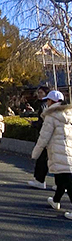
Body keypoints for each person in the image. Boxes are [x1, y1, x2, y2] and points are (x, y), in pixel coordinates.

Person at [31, 90, 72, 220]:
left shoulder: (51, 116)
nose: (47, 103)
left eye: (48, 100)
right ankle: (55, 200)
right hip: (69, 151)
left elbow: (44, 137)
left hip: (57, 151)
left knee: (67, 181)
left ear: (51, 102)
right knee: (61, 179)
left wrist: (35, 153)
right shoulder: (68, 114)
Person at [27, 86, 50, 189]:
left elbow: (44, 122)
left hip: (45, 136)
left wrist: (34, 124)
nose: (39, 95)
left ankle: (40, 180)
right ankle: (61, 184)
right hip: (51, 136)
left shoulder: (44, 105)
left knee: (42, 158)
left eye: (41, 93)